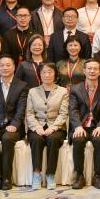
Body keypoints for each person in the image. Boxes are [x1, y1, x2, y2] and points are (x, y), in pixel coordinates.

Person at [0, 55, 29, 190]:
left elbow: (21, 109)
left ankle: (7, 178)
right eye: (2, 65)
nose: (5, 68)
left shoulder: (22, 86)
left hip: (14, 126)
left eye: (8, 65)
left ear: (14, 67)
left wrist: (14, 124)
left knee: (7, 139)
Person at [69, 58, 100, 189]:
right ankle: (79, 176)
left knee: (99, 140)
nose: (92, 71)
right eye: (89, 68)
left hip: (96, 126)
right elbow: (73, 110)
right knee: (78, 140)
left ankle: (97, 176)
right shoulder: (75, 89)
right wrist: (77, 126)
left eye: (95, 69)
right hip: (81, 126)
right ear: (84, 71)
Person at [26, 62, 68, 191]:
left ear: (55, 74)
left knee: (52, 139)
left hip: (56, 127)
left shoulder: (63, 91)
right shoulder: (32, 91)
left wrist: (53, 127)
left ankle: (50, 175)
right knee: (36, 139)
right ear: (39, 74)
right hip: (37, 126)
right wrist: (37, 127)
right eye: (44, 72)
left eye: (50, 72)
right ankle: (36, 174)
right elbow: (29, 113)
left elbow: (63, 113)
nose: (47, 75)